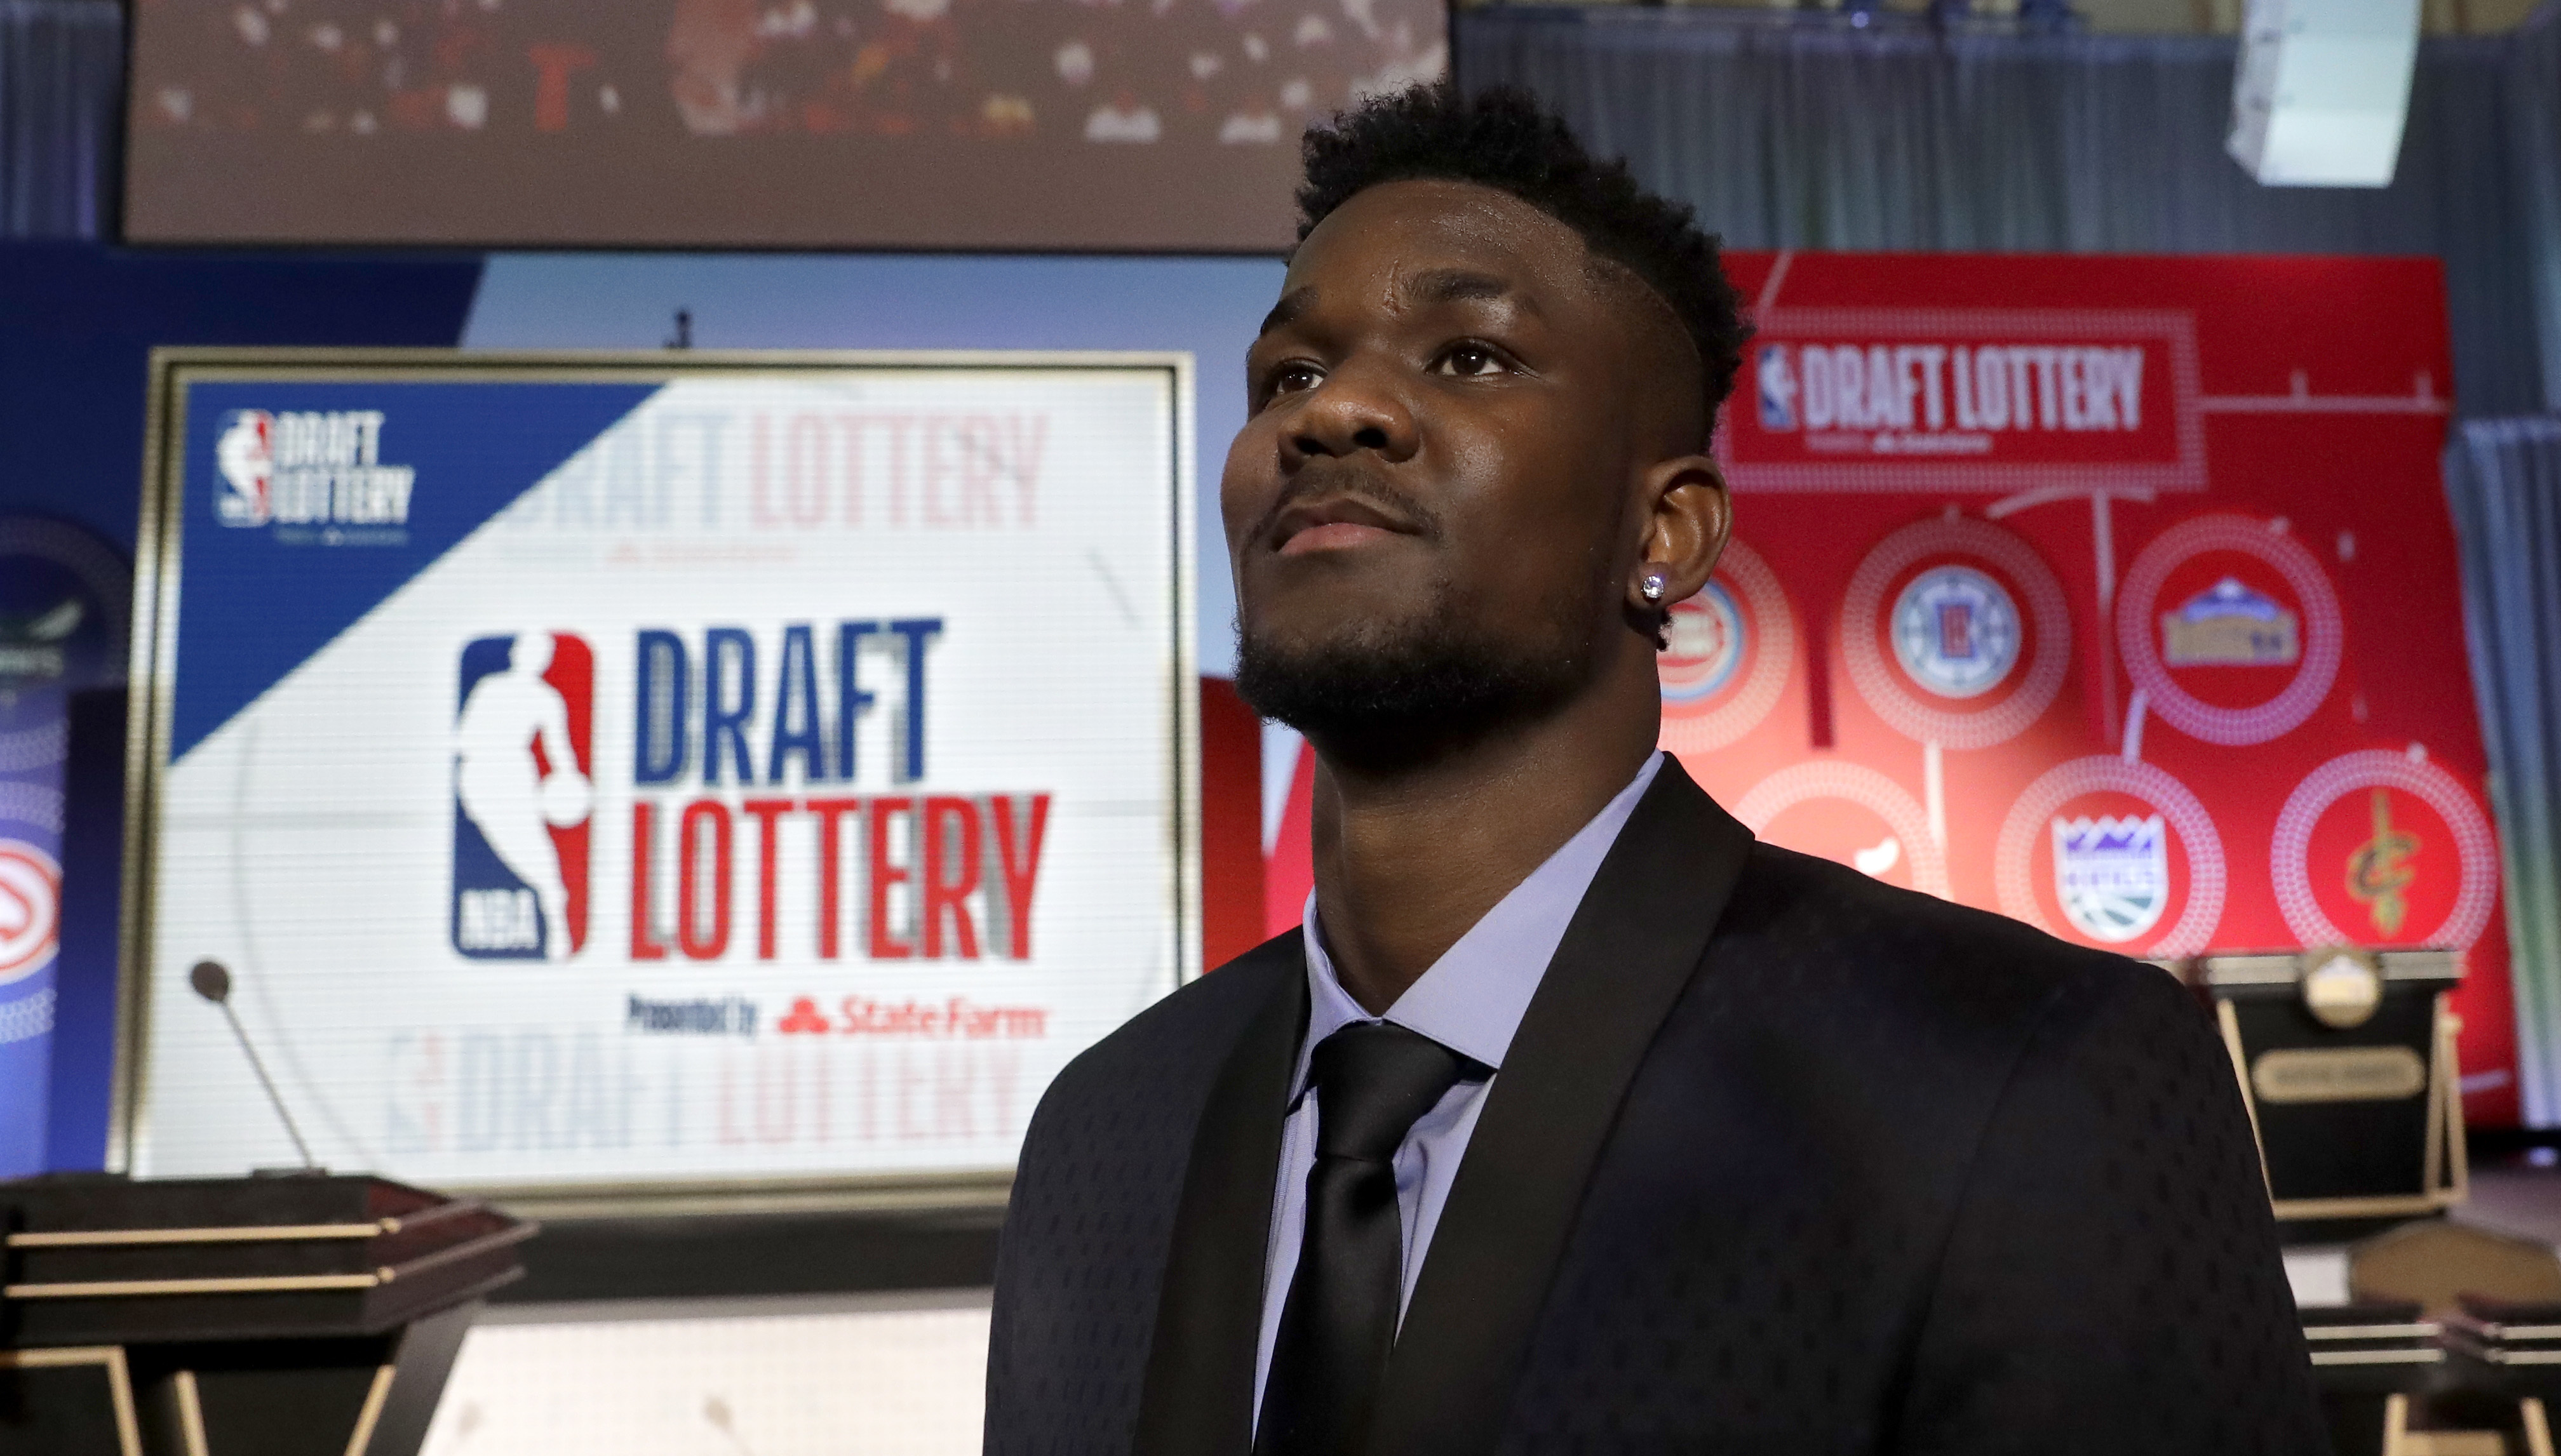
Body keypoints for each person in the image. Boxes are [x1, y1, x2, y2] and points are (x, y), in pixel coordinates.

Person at [986, 84, 2323, 1455]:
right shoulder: (1108, 1126)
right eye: (1292, 375)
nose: (1337, 415)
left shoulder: (2030, 1079)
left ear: (1667, 532)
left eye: (1470, 357)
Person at [454, 632, 588, 959]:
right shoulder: (489, 687)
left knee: (536, 850)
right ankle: (553, 903)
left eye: (540, 653)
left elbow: (560, 752)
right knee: (516, 847)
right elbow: (462, 738)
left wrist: (570, 783)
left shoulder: (548, 699)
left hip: (514, 775)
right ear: (516, 653)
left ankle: (557, 922)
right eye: (527, 650)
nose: (532, 657)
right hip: (480, 775)